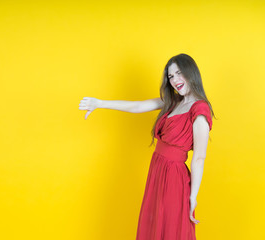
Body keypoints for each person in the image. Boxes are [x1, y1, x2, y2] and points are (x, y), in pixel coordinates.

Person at [79, 53, 215, 240]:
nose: (175, 80)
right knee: (154, 225)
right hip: (158, 169)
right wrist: (100, 103)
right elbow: (137, 106)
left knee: (169, 227)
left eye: (178, 73)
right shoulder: (173, 102)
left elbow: (199, 158)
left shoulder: (200, 109)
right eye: (170, 76)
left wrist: (193, 197)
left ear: (191, 72)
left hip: (174, 176)